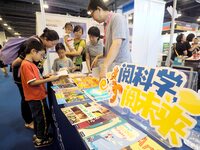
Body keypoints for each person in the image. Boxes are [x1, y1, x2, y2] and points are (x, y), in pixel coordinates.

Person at [12, 28, 59, 129]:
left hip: (33, 76)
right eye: (53, 44)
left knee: (31, 99)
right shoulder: (32, 43)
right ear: (46, 39)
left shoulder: (41, 46)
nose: (53, 47)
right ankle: (28, 121)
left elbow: (38, 64)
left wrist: (42, 75)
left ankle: (35, 117)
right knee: (26, 98)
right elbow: (16, 63)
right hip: (22, 76)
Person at [20, 38, 59, 148]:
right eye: (41, 55)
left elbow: (35, 77)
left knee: (38, 118)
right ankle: (41, 139)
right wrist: (49, 80)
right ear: (33, 51)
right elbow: (32, 83)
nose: (41, 58)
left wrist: (45, 76)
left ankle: (38, 135)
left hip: (36, 96)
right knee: (43, 118)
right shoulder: (26, 65)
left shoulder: (30, 63)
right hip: (36, 97)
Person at [88, 0, 132, 79]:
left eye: (92, 14)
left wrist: (104, 67)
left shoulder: (117, 18)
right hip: (113, 67)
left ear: (99, 9)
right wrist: (98, 57)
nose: (93, 18)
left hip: (121, 67)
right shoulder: (106, 24)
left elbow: (117, 43)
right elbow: (109, 48)